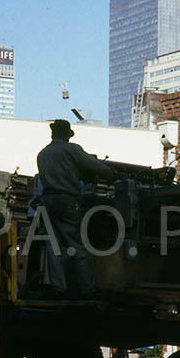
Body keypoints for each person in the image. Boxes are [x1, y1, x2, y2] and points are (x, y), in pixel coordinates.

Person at [36, 119, 114, 299]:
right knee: (77, 246)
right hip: (66, 201)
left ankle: (57, 288)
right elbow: (92, 166)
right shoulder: (71, 150)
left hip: (47, 202)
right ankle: (88, 289)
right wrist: (111, 174)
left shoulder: (42, 154)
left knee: (53, 247)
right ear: (66, 134)